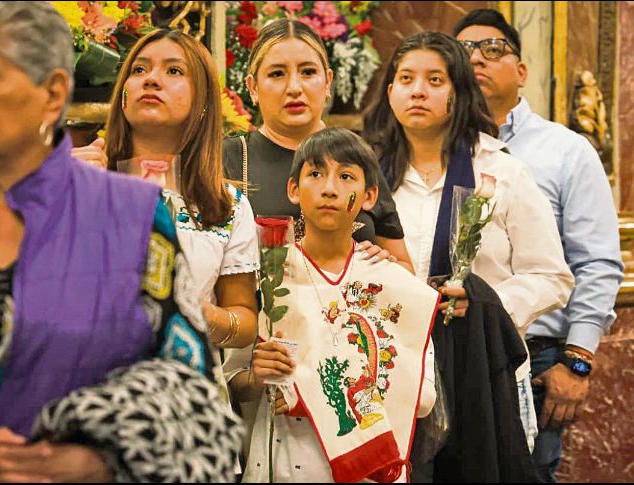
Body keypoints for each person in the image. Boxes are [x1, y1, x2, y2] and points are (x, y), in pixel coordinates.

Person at [0, 2, 241, 483]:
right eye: (138, 70)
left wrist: (94, 460)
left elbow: (196, 412)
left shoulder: (134, 216)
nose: (151, 81)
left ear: (52, 94)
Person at [362, 31, 574, 471]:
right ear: (390, 92)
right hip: (384, 370)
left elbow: (552, 277)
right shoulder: (364, 173)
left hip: (479, 368)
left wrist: (483, 302)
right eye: (406, 78)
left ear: (458, 95)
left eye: (435, 80)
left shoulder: (501, 171)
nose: (418, 90)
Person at [453, 9, 624, 482]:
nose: (477, 61)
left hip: (535, 352)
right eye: (464, 52)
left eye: (492, 49)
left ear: (522, 71)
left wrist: (577, 361)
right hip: (448, 351)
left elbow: (597, 263)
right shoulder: (433, 149)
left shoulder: (565, 151)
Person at [228, 128, 439, 482]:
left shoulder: (392, 283)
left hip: (370, 472)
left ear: (370, 195)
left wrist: (307, 395)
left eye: (346, 176)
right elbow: (235, 379)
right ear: (293, 189)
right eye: (315, 174)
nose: (329, 188)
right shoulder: (268, 274)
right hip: (283, 464)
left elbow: (422, 398)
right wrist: (258, 375)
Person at [74, 28, 261, 398]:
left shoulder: (226, 204)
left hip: (189, 402)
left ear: (203, 100)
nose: (152, 79)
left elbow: (245, 319)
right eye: (139, 70)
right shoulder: (77, 177)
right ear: (123, 95)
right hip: (89, 395)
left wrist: (197, 316)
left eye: (174, 71)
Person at [222, 19, 414, 273]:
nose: (294, 87)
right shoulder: (230, 158)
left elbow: (406, 270)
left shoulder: (356, 156)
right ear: (253, 88)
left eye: (308, 72)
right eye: (277, 73)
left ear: (328, 82)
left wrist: (385, 265)